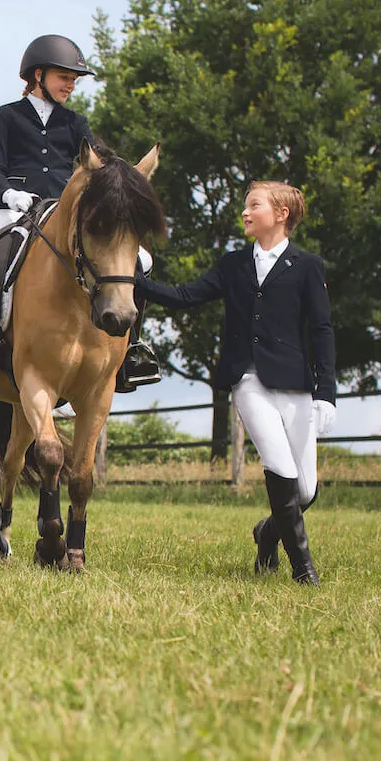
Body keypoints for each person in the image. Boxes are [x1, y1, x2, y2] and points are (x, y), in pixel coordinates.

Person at [136, 181, 335, 585]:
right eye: (245, 206)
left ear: (281, 214)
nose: (245, 213)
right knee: (279, 467)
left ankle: (267, 533)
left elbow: (322, 330)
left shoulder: (308, 266)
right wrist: (131, 279)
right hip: (247, 379)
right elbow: (184, 295)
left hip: (296, 384)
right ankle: (304, 570)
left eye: (254, 206)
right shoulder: (232, 265)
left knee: (307, 491)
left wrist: (326, 393)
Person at [0, 33, 160, 396]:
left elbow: (100, 164)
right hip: (16, 209)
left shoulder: (75, 122)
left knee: (142, 258)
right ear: (39, 75)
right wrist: (9, 194)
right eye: (65, 77)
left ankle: (133, 349)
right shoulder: (8, 116)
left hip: (66, 211)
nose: (71, 85)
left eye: (74, 79)